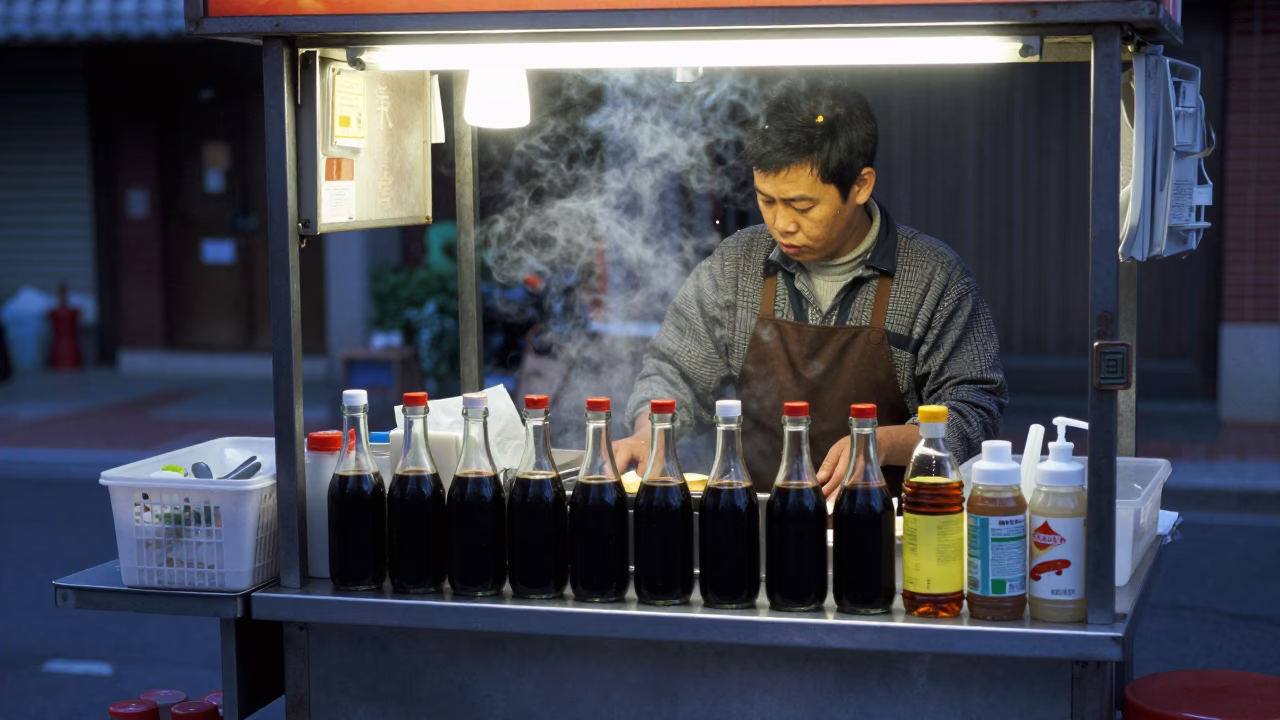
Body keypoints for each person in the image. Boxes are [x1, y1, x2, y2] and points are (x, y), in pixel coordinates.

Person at [613, 76, 1008, 500]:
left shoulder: (932, 277)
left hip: (890, 525)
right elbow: (675, 369)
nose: (782, 223)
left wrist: (886, 443)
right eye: (767, 200)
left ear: (860, 185)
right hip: (757, 521)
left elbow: (973, 403)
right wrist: (648, 433)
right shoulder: (738, 265)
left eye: (802, 205)